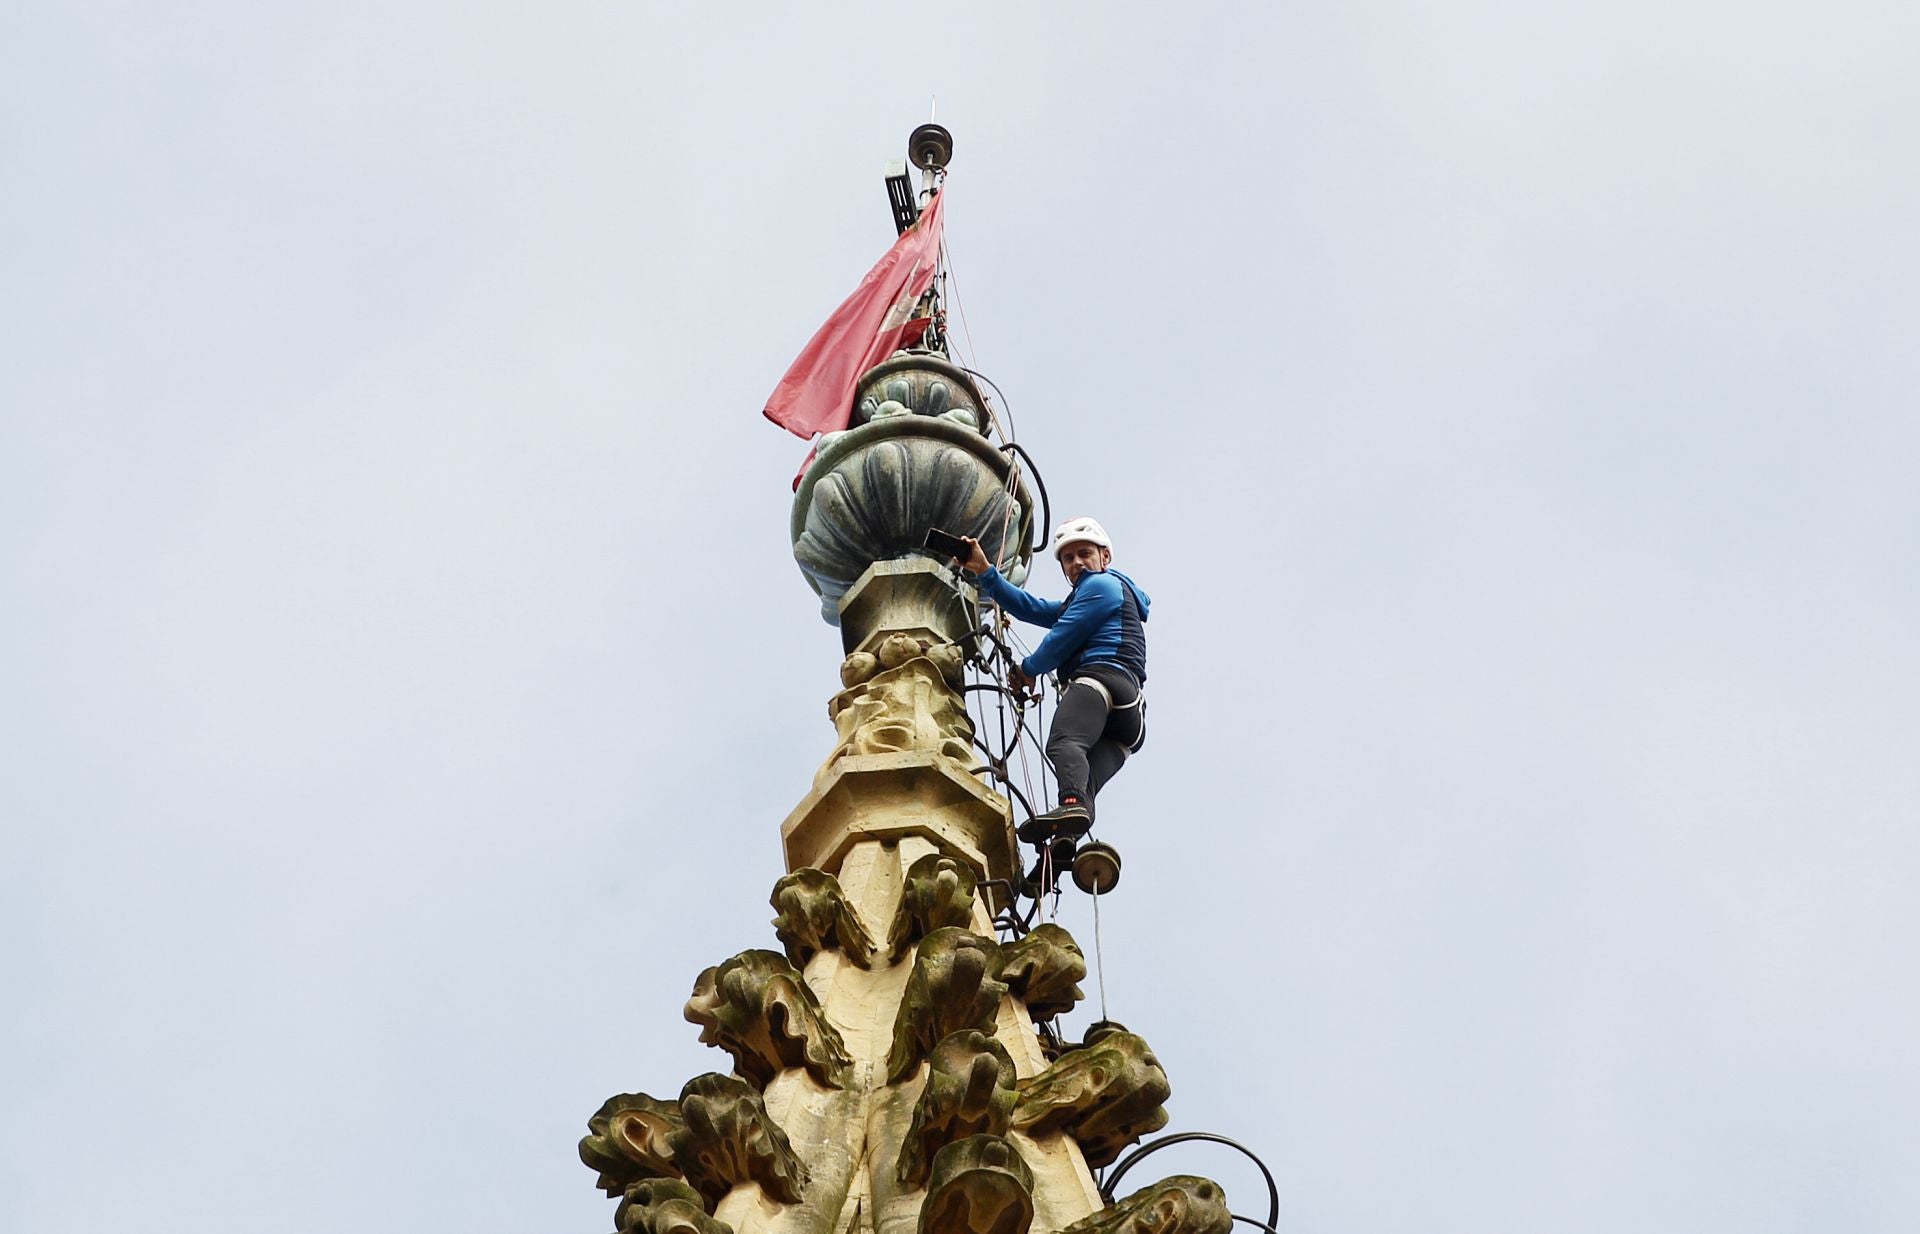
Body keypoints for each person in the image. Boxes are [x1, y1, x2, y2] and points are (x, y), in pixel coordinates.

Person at [954, 516, 1150, 844]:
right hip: (1128, 723)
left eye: (1084, 553)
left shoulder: (1102, 587)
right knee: (1083, 783)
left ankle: (1070, 807)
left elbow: (1062, 637)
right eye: (1068, 559)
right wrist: (986, 573)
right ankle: (1065, 842)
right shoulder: (1092, 595)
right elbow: (1031, 608)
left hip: (1103, 683)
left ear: (1105, 557)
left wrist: (1028, 670)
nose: (1077, 563)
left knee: (1063, 744)